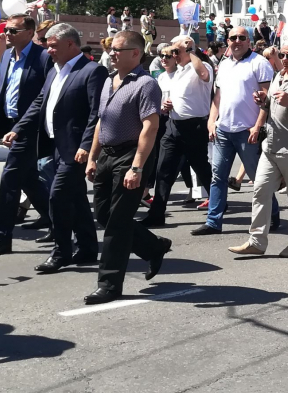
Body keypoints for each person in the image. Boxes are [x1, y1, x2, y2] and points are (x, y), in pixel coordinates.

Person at [3, 23, 106, 273]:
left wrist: (86, 146)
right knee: (77, 198)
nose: (49, 52)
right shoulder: (55, 71)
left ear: (70, 44)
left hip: (76, 148)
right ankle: (88, 247)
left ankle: (61, 252)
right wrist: (18, 128)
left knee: (57, 197)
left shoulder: (93, 71)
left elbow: (97, 114)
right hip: (55, 146)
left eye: (53, 47)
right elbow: (40, 102)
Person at [83, 31, 170, 305]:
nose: (112, 53)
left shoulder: (146, 84)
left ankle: (109, 284)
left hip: (130, 156)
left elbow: (150, 126)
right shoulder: (110, 81)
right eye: (111, 49)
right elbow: (101, 122)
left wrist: (137, 168)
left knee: (117, 224)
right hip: (107, 154)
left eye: (118, 49)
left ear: (136, 53)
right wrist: (92, 157)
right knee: (104, 215)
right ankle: (154, 246)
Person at [228, 37, 288, 258]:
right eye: (282, 55)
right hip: (271, 147)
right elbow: (272, 104)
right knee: (260, 191)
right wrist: (263, 100)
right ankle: (257, 241)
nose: (285, 59)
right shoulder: (278, 76)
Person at [194, 26, 275, 235]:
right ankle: (213, 222)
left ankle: (272, 216)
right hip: (223, 130)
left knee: (259, 178)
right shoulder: (224, 64)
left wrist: (258, 126)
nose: (237, 41)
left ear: (249, 41)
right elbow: (217, 98)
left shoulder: (259, 63)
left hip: (247, 132)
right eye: (233, 38)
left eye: (241, 37)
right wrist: (212, 121)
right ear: (227, 41)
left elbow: (267, 99)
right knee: (217, 176)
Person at [142, 37, 214, 227]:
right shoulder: (175, 72)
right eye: (171, 53)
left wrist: (190, 51)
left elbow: (204, 74)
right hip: (174, 124)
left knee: (201, 167)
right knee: (163, 170)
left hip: (195, 126)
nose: (173, 56)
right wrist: (166, 106)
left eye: (176, 52)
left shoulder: (200, 66)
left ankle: (217, 205)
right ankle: (157, 213)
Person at [0, 14, 52, 254]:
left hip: (30, 129)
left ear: (30, 33)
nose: (7, 34)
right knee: (29, 178)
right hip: (10, 126)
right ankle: (54, 219)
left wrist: (21, 127)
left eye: (13, 31)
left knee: (9, 180)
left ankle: (3, 236)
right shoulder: (9, 56)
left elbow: (45, 96)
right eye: (7, 30)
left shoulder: (43, 58)